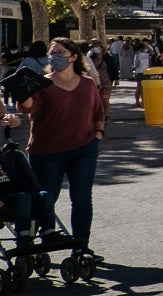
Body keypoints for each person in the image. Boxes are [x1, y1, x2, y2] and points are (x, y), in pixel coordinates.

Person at [3, 37, 106, 262]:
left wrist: (98, 133)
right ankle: (31, 246)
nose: (55, 57)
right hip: (47, 152)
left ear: (74, 57)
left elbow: (98, 111)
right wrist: (23, 93)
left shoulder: (87, 83)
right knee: (44, 198)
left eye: (60, 53)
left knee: (82, 198)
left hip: (84, 149)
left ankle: (81, 246)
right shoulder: (42, 83)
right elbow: (29, 107)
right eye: (53, 52)